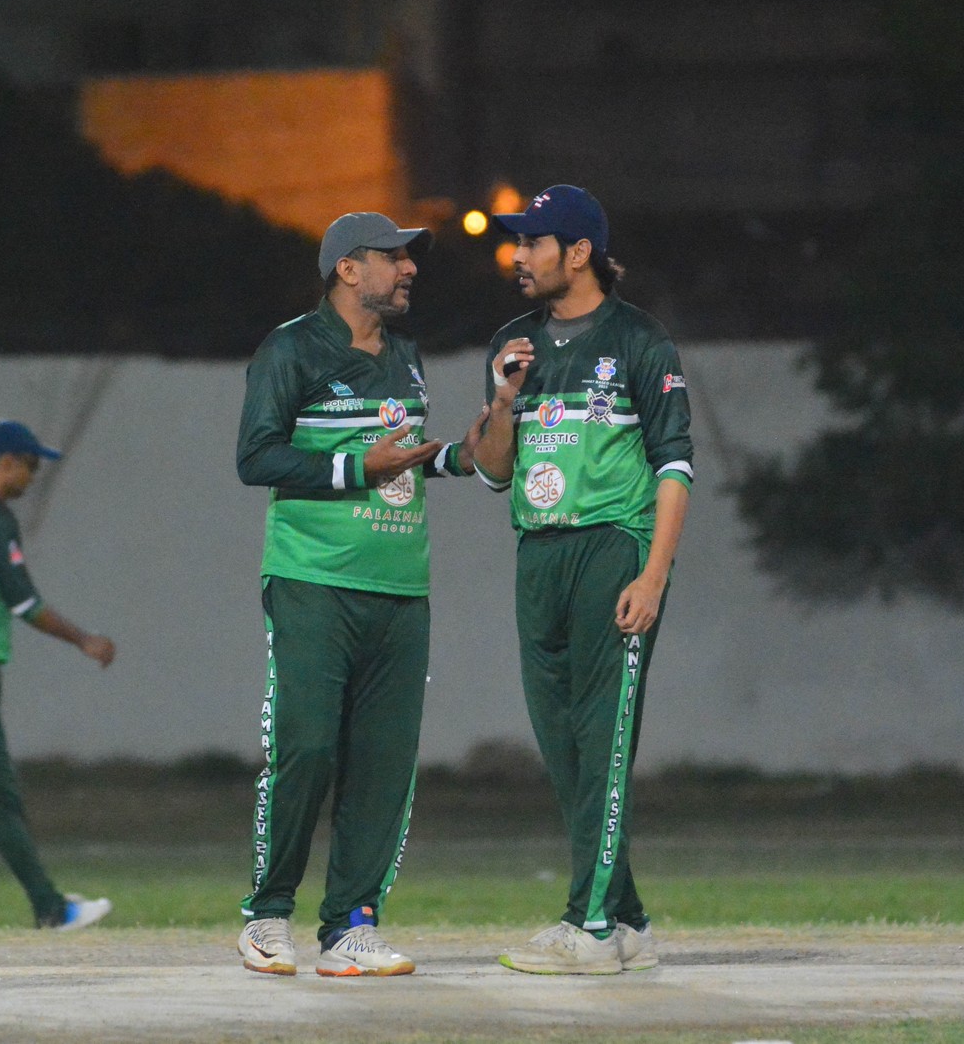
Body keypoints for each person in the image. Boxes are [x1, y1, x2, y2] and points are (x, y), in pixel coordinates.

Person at [234, 212, 487, 978]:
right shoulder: (290, 348)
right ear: (347, 268)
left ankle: (352, 923)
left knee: (384, 763)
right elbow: (256, 457)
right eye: (394, 257)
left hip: (401, 583)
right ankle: (267, 914)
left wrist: (460, 454)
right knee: (307, 746)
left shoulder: (405, 355)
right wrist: (354, 469)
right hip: (313, 578)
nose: (410, 269)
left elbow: (400, 460)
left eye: (411, 259)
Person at [473, 185, 693, 974]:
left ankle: (591, 925)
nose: (518, 255)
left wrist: (653, 574)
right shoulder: (513, 343)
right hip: (539, 553)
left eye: (533, 242)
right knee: (563, 744)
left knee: (602, 741)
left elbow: (675, 468)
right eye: (518, 242)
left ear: (577, 252)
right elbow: (493, 471)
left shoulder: (638, 340)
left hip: (612, 550)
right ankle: (626, 919)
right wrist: (504, 397)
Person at [0, 419, 116, 931]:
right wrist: (85, 640)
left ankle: (50, 906)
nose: (32, 478)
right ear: (7, 463)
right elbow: (25, 603)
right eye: (30, 467)